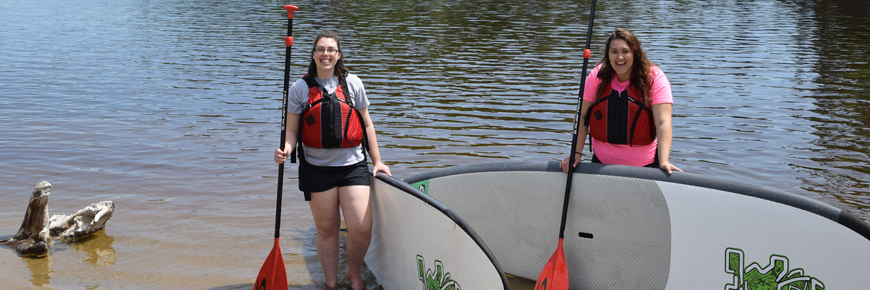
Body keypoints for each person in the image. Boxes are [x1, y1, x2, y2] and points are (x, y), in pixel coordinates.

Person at [274, 29, 390, 290]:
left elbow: (367, 125)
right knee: (327, 229)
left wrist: (378, 161)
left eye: (331, 50)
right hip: (317, 169)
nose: (325, 54)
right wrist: (285, 149)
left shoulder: (353, 83)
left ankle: (353, 273)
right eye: (320, 49)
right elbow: (292, 131)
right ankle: (330, 284)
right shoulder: (300, 88)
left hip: (353, 166)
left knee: (361, 227)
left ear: (338, 55)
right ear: (314, 54)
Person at [560, 29, 683, 174]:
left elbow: (663, 123)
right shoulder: (597, 76)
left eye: (625, 51)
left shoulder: (655, 78)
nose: (620, 57)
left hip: (646, 168)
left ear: (635, 54)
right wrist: (576, 153)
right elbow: (582, 116)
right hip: (600, 165)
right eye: (614, 52)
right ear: (608, 55)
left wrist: (664, 161)